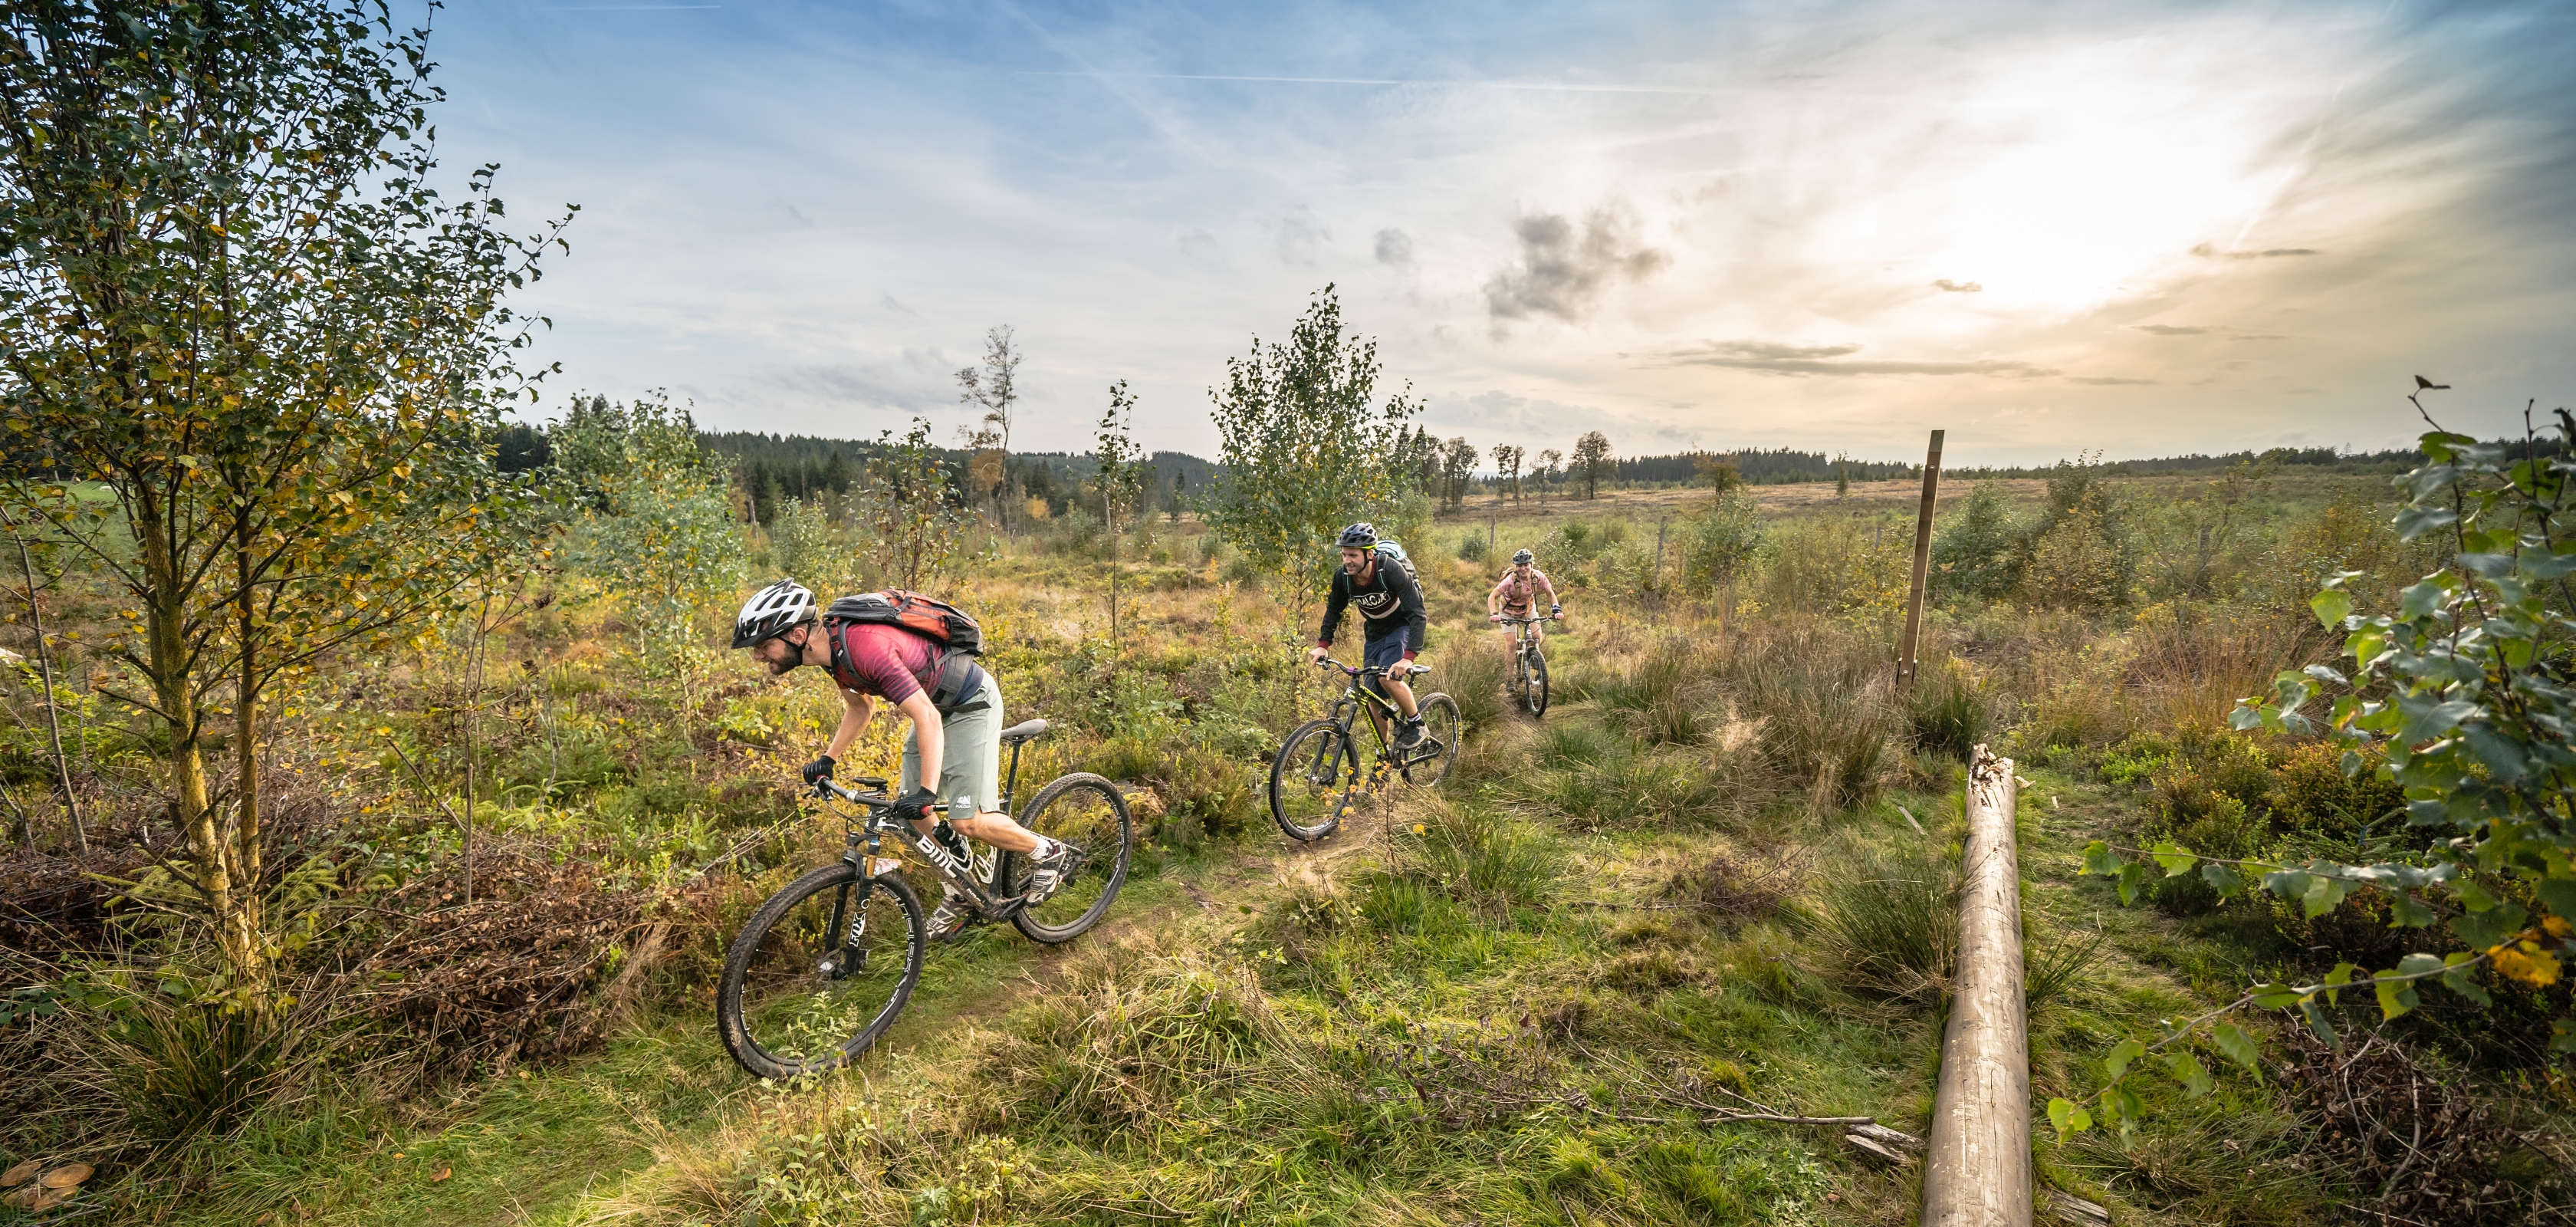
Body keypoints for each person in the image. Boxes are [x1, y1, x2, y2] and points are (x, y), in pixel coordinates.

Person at [731, 578, 1070, 942]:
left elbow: (926, 717)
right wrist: (828, 759)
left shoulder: (864, 647)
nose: (757, 656)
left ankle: (1050, 854)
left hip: (972, 705)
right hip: (937, 709)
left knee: (968, 822)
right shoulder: (832, 654)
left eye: (764, 645)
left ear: (797, 635)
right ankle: (962, 889)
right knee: (915, 817)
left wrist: (927, 789)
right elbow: (861, 707)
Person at [1307, 522, 1431, 750]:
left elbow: (1417, 613)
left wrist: (1408, 657)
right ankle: (1383, 756)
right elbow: (1334, 609)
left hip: (1401, 626)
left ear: (1369, 554)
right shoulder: (1343, 577)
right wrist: (1323, 644)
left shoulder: (1390, 570)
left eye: (1353, 555)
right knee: (1373, 696)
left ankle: (1417, 723)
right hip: (1374, 632)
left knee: (1387, 677)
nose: (1347, 560)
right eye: (1344, 555)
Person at [1486, 548, 1563, 661]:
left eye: (1526, 565)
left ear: (1531, 564)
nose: (1523, 568)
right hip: (1508, 612)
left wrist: (1557, 610)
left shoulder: (1539, 577)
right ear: (1516, 567)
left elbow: (1550, 593)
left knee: (1536, 637)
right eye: (1519, 566)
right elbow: (1492, 596)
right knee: (1512, 645)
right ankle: (1510, 678)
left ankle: (1529, 656)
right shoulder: (1509, 581)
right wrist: (1493, 614)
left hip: (1528, 609)